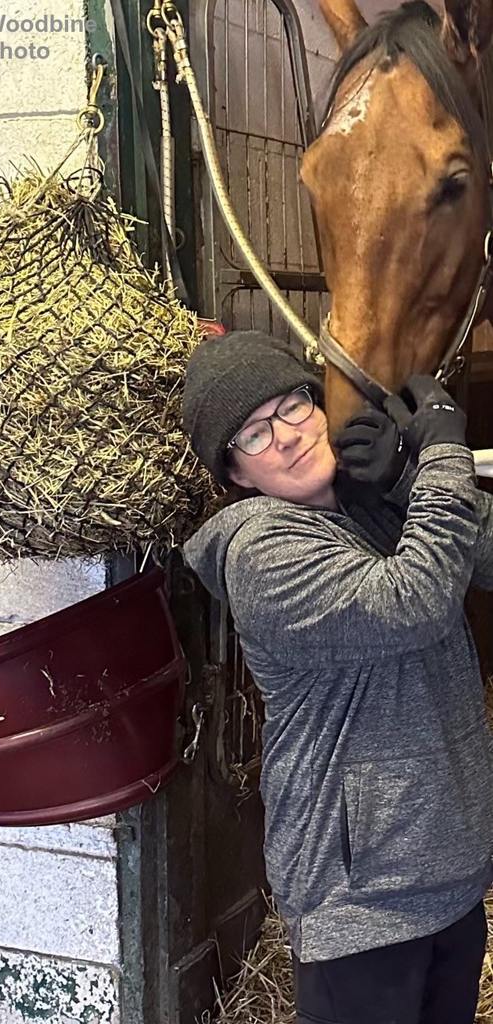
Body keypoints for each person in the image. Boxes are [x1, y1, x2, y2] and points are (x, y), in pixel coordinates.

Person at [181, 329, 493, 1024]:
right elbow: (413, 600)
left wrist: (405, 480)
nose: (286, 436)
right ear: (236, 475)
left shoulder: (372, 508)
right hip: (362, 906)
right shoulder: (262, 551)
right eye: (253, 435)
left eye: (290, 407)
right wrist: (441, 455)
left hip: (450, 871)